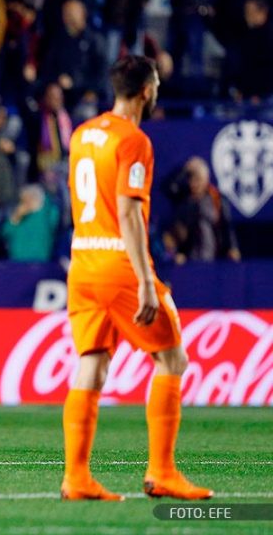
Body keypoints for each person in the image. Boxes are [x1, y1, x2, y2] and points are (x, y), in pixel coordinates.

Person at [62, 56, 212, 501]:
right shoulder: (134, 141)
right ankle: (162, 471)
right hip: (120, 267)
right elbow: (127, 210)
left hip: (82, 263)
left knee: (92, 363)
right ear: (146, 90)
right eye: (158, 84)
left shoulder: (82, 134)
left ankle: (77, 477)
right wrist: (146, 280)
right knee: (172, 360)